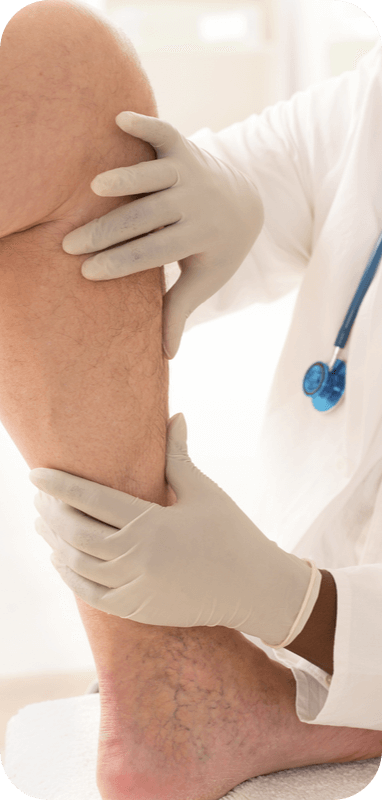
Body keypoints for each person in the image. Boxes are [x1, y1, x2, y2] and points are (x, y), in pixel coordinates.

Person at [2, 2, 381, 799]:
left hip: (327, 626)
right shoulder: (367, 102)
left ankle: (179, 685)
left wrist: (298, 604)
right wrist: (219, 197)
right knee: (55, 68)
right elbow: (96, 198)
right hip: (268, 619)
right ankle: (169, 675)